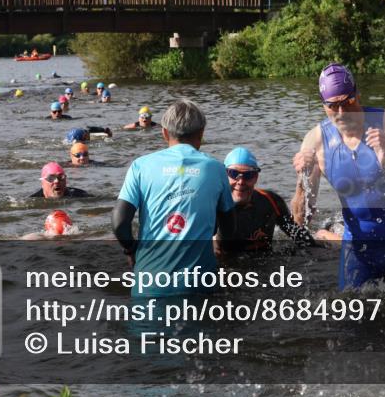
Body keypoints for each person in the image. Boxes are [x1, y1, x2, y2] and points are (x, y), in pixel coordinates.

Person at [292, 64, 385, 297]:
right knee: (349, 307)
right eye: (333, 106)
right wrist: (302, 179)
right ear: (323, 106)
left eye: (347, 102)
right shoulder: (315, 142)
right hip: (359, 247)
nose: (341, 112)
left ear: (358, 95)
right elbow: (301, 220)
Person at [112, 99, 235, 298]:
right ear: (201, 133)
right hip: (199, 285)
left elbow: (119, 223)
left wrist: (131, 250)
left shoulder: (140, 166)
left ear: (164, 133)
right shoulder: (216, 168)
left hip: (149, 284)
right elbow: (229, 228)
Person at [216, 147, 318, 254]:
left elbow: (300, 236)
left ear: (256, 177)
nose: (241, 181)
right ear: (224, 176)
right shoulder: (213, 205)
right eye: (233, 173)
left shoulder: (271, 201)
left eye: (248, 175)